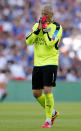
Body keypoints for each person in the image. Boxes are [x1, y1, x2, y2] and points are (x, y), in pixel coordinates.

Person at [26, 4, 63, 128]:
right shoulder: (36, 26)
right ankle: (53, 112)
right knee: (36, 93)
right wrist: (37, 31)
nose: (43, 16)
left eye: (46, 14)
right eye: (42, 13)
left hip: (51, 62)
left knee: (47, 90)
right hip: (38, 64)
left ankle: (48, 120)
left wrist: (45, 30)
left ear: (51, 15)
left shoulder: (57, 27)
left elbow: (49, 43)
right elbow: (28, 41)